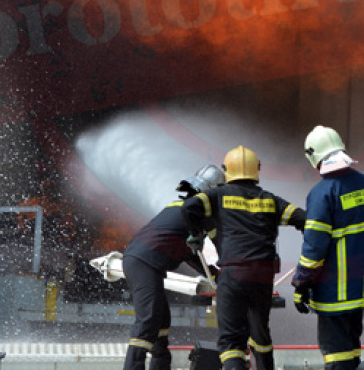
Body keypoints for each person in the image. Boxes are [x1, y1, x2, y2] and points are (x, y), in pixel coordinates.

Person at [184, 145, 306, 370]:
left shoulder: (217, 195)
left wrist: (195, 235)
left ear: (227, 170)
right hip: (263, 277)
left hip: (233, 274)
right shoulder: (270, 200)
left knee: (231, 342)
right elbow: (304, 219)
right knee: (261, 335)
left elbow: (190, 206)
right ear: (256, 170)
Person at [292, 126, 364, 370]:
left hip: (333, 293)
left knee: (336, 357)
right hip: (359, 289)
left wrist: (301, 284)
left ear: (314, 156)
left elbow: (314, 249)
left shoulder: (322, 194)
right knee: (352, 352)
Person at [122, 164, 225, 370]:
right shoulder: (195, 213)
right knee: (148, 319)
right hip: (143, 264)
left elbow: (191, 254)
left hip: (145, 264)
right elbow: (217, 244)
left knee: (161, 320)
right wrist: (228, 272)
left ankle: (161, 365)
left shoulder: (185, 209)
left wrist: (215, 275)